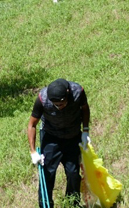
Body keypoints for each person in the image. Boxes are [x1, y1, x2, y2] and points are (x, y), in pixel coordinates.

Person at [27, 78, 91, 208]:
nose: (59, 107)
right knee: (47, 174)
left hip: (72, 136)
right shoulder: (42, 99)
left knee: (73, 174)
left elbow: (85, 109)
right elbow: (32, 125)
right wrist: (33, 151)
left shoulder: (78, 92)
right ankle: (45, 205)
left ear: (67, 94)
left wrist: (85, 131)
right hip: (51, 138)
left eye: (61, 104)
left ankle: (72, 204)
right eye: (56, 105)